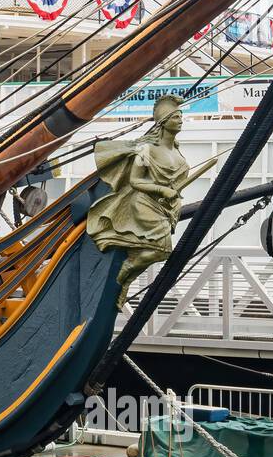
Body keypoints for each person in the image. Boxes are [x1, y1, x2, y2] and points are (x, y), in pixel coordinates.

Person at [87, 94, 219, 306]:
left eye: (181, 116)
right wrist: (162, 190)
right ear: (164, 121)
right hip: (144, 202)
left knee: (160, 250)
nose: (181, 120)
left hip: (167, 207)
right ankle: (125, 274)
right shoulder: (147, 149)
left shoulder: (177, 152)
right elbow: (135, 180)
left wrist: (170, 195)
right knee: (163, 249)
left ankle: (125, 281)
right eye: (176, 116)